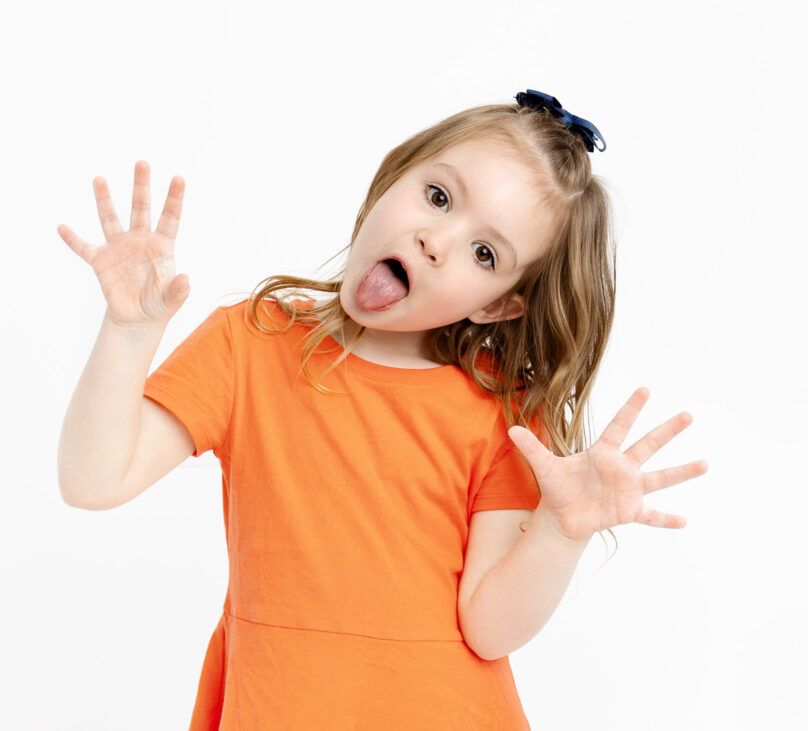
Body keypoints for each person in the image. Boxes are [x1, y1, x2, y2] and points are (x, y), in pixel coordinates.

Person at [55, 90, 709, 730]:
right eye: (439, 196)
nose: (435, 241)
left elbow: (490, 627)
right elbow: (94, 479)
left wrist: (560, 532)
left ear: (498, 304)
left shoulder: (501, 414)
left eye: (485, 254)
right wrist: (129, 333)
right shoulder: (249, 344)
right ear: (394, 171)